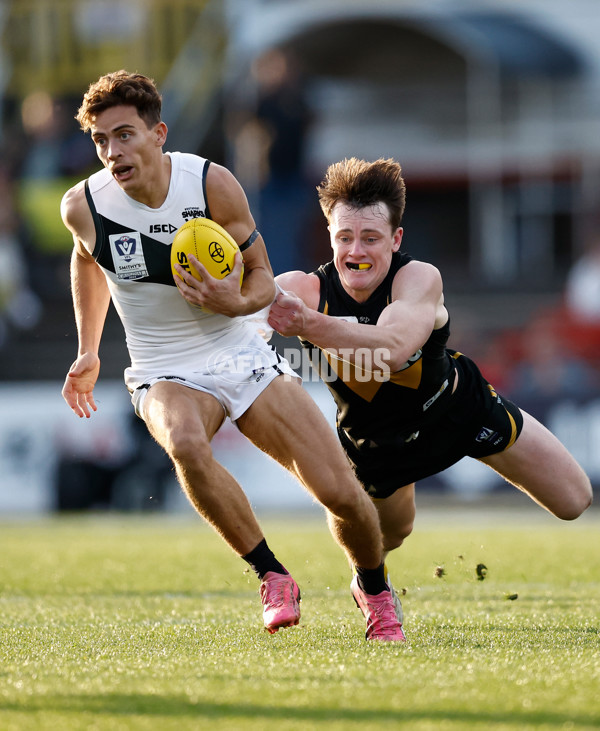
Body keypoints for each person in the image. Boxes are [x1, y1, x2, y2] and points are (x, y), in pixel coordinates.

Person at [60, 72, 404, 641]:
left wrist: (233, 299)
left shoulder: (208, 184)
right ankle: (272, 574)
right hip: (161, 367)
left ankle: (374, 589)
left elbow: (264, 280)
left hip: (239, 351)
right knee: (186, 444)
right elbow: (85, 260)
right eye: (101, 140)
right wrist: (87, 350)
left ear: (158, 133)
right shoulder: (85, 205)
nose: (112, 151)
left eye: (124, 135)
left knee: (341, 492)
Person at [268, 157, 594, 627]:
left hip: (459, 413)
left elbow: (395, 345)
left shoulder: (418, 278)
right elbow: (246, 320)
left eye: (371, 238)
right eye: (344, 237)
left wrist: (307, 324)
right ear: (329, 236)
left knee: (574, 500)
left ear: (396, 240)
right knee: (386, 539)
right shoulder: (300, 288)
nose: (355, 250)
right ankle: (370, 587)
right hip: (378, 444)